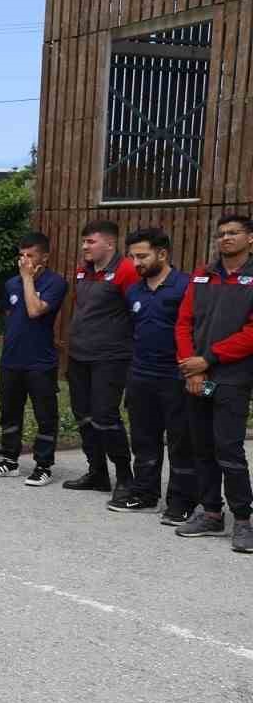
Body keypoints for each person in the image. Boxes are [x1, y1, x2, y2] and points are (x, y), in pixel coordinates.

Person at [173, 213, 253, 552]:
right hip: (198, 376)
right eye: (221, 233)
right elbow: (183, 323)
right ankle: (210, 513)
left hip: (232, 378)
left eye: (233, 233)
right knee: (201, 446)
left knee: (229, 449)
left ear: (250, 238)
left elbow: (251, 333)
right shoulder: (202, 275)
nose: (226, 238)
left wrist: (209, 359)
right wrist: (194, 369)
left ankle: (245, 521)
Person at [112, 227, 195, 517]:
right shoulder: (134, 289)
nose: (136, 263)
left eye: (142, 256)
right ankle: (144, 493)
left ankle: (182, 501)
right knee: (144, 438)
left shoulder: (185, 286)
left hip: (175, 375)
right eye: (133, 257)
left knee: (180, 440)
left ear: (162, 253)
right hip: (141, 374)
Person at [0, 232, 67, 487]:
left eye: (30, 256)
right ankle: (9, 460)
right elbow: (12, 314)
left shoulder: (55, 283)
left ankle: (43, 465)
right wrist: (22, 280)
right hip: (12, 360)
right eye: (21, 256)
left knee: (45, 415)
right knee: (9, 412)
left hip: (40, 362)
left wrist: (28, 279)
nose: (24, 261)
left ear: (45, 257)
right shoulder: (11, 284)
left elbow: (34, 310)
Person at [64, 219, 140, 501]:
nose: (85, 246)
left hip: (110, 357)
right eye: (83, 242)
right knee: (82, 415)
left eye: (91, 242)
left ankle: (124, 477)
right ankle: (97, 472)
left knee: (106, 416)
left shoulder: (126, 271)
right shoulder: (83, 272)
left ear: (110, 243)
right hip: (79, 355)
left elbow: (137, 313)